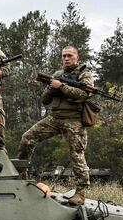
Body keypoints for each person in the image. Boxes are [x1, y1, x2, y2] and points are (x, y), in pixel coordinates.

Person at [17, 45, 94, 205]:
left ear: (77, 57)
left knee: (77, 155)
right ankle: (22, 178)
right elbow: (45, 100)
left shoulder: (84, 74)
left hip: (73, 119)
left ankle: (80, 193)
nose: (66, 58)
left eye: (70, 55)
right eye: (64, 56)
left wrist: (62, 87)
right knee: (27, 138)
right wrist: (51, 88)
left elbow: (84, 94)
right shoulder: (57, 75)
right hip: (54, 117)